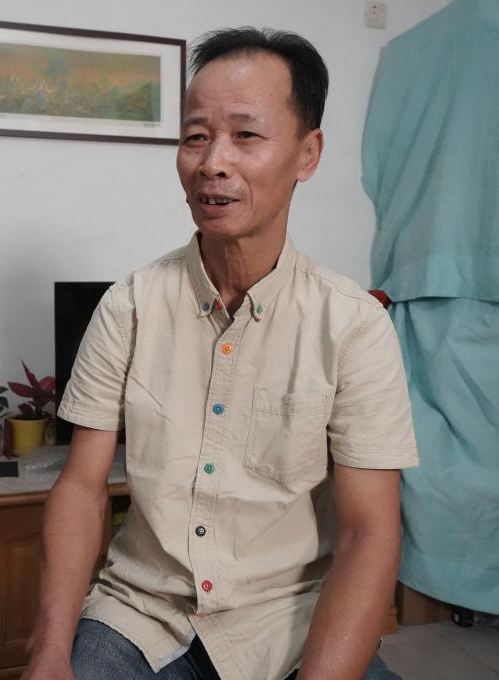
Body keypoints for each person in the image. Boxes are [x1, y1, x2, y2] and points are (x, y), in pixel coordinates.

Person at [22, 27, 419, 680]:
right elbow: (83, 485)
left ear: (307, 153)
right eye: (195, 136)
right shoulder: (128, 306)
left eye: (246, 135)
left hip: (291, 619)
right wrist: (48, 651)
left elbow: (367, 532)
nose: (213, 162)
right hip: (143, 613)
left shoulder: (353, 326)